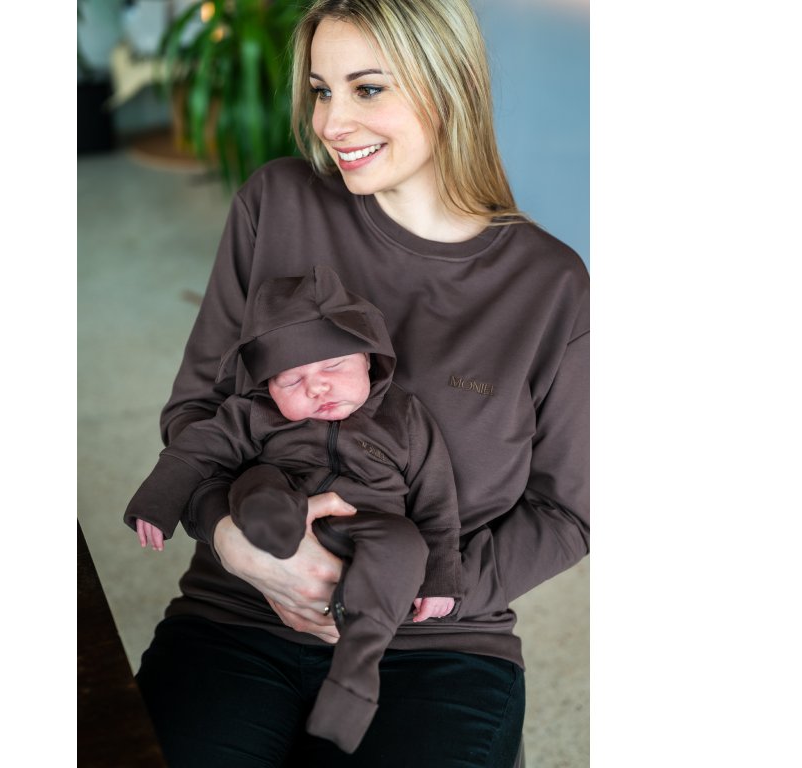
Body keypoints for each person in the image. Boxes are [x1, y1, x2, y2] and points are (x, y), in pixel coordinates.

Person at [133, 1, 589, 766]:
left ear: (449, 84)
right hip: (239, 608)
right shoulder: (276, 203)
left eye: (367, 88)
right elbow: (199, 409)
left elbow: (567, 512)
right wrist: (233, 539)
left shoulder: (550, 287)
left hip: (436, 641)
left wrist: (413, 589)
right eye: (321, 90)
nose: (331, 123)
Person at [124, 265, 462, 753]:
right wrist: (156, 503)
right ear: (267, 385)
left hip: (368, 529)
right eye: (291, 379)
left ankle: (357, 670)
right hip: (282, 502)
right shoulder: (253, 413)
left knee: (406, 544)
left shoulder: (405, 417)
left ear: (370, 358)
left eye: (333, 366)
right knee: (255, 481)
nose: (316, 387)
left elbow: (436, 501)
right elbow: (195, 449)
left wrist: (441, 576)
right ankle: (274, 529)